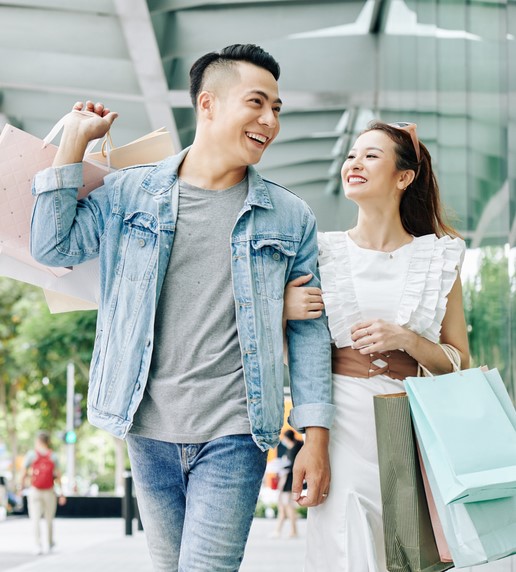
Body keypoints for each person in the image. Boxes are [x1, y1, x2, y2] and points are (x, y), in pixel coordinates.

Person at [30, 44, 335, 571]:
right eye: (257, 103)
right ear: (208, 103)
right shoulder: (131, 194)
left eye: (277, 109)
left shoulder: (289, 217)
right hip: (146, 427)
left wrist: (315, 437)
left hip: (236, 431)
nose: (270, 120)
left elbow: (311, 333)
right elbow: (52, 247)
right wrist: (73, 146)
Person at [284, 121, 470, 571]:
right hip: (338, 425)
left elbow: (461, 361)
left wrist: (407, 339)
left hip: (410, 429)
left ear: (404, 177)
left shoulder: (439, 258)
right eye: (351, 155)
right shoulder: (321, 252)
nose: (354, 163)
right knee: (347, 549)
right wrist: (283, 306)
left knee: (407, 556)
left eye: (370, 155)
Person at [20, 431, 66, 555]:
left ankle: (37, 545)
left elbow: (23, 473)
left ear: (38, 441)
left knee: (35, 519)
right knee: (49, 519)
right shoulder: (53, 456)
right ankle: (50, 544)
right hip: (49, 491)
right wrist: (61, 493)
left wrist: (21, 488)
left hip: (35, 490)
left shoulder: (31, 455)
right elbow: (58, 476)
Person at [273, 429, 304, 538]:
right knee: (284, 505)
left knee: (287, 505)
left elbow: (294, 465)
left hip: (290, 481)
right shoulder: (290, 449)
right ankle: (280, 530)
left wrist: (284, 466)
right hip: (285, 480)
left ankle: (292, 530)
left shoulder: (296, 448)